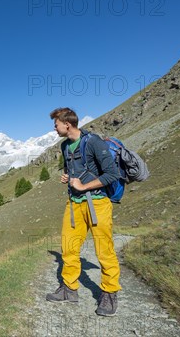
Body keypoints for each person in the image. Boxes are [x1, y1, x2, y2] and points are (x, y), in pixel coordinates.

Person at [46, 107, 121, 317]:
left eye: (56, 124)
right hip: (74, 204)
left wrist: (83, 186)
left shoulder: (94, 142)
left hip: (97, 203)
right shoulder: (65, 146)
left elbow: (112, 174)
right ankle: (69, 289)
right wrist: (67, 178)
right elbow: (73, 172)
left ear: (67, 124)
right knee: (68, 248)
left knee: (104, 250)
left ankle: (109, 292)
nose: (54, 128)